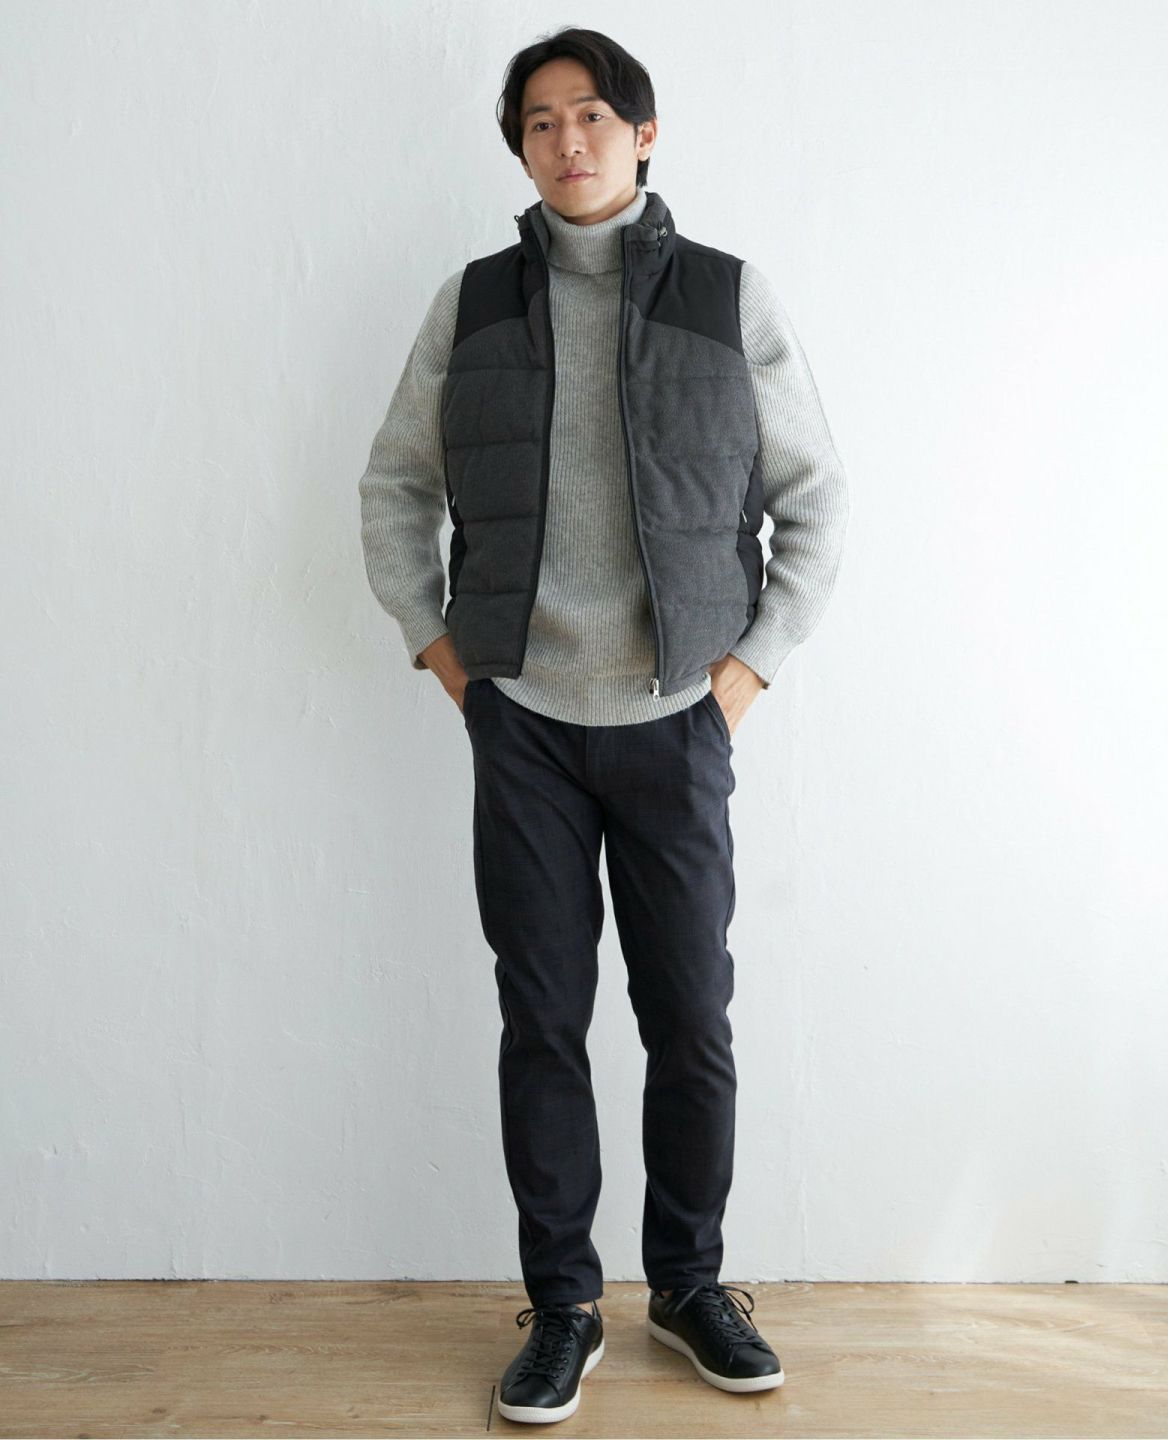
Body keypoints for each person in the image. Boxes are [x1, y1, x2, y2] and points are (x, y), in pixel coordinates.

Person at [358, 25, 850, 1426]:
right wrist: (446, 658)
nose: (565, 141)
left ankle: (688, 1286)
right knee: (543, 1020)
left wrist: (743, 676)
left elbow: (816, 502)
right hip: (521, 721)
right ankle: (564, 1307)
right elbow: (394, 487)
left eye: (589, 116)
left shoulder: (727, 296)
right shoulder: (474, 304)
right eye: (538, 123)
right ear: (520, 149)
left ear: (643, 131)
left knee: (690, 1017)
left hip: (678, 720)